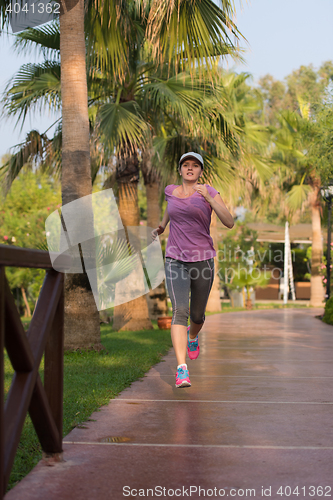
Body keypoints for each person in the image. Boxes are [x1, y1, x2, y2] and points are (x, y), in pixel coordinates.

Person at [152, 152, 234, 388]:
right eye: (186, 165)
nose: (190, 168)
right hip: (175, 258)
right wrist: (161, 226)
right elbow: (170, 208)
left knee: (197, 316)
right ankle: (181, 369)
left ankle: (193, 335)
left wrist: (209, 198)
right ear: (180, 170)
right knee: (179, 310)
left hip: (202, 259)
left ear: (200, 171)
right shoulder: (170, 191)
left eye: (195, 165)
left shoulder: (209, 191)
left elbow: (229, 222)